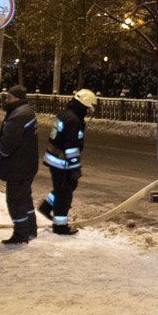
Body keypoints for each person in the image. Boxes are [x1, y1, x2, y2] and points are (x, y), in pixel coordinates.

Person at [39, 88, 97, 235]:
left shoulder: (65, 114)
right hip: (62, 161)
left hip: (53, 158)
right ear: (84, 105)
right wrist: (75, 168)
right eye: (88, 108)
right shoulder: (74, 120)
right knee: (64, 194)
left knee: (63, 188)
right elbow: (71, 147)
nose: (88, 112)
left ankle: (46, 207)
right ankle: (60, 226)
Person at [0, 85, 39, 245]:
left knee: (15, 200)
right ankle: (31, 229)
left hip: (18, 167)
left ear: (17, 98)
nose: (6, 100)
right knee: (25, 198)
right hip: (27, 165)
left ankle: (20, 234)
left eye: (9, 97)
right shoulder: (27, 111)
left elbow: (8, 143)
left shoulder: (18, 115)